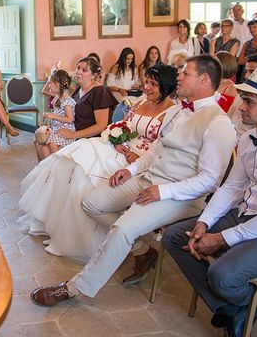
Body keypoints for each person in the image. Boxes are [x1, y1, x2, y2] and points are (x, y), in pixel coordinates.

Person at [29, 55, 236, 306]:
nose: (179, 77)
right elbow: (156, 149)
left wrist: (163, 191)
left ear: (204, 79)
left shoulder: (219, 123)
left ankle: (74, 288)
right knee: (91, 203)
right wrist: (132, 169)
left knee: (122, 228)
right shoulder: (179, 111)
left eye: (185, 73)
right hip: (147, 177)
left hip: (180, 195)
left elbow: (211, 181)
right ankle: (143, 246)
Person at [163, 67, 257, 337]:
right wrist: (204, 222)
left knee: (223, 276)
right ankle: (238, 308)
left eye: (249, 101)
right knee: (175, 237)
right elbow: (232, 187)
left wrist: (222, 238)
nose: (240, 107)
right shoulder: (249, 139)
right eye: (242, 98)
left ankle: (234, 302)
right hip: (245, 214)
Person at [19, 64, 178, 262]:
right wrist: (116, 139)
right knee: (70, 163)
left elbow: (164, 147)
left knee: (82, 175)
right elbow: (121, 125)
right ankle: (60, 229)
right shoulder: (141, 102)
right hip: (118, 148)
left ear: (167, 86)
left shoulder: (173, 113)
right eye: (147, 82)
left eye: (154, 84)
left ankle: (84, 239)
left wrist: (137, 157)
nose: (147, 87)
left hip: (140, 160)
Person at [227, 54, 257, 138]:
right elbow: (228, 119)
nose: (246, 75)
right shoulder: (240, 95)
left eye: (252, 72)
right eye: (246, 71)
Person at [35, 70, 76, 161]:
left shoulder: (67, 101)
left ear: (57, 85)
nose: (49, 86)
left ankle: (57, 164)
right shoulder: (58, 97)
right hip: (56, 127)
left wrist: (53, 116)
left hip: (66, 129)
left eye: (50, 83)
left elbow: (70, 119)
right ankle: (41, 166)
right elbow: (56, 113)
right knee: (37, 140)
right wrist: (50, 117)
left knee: (52, 144)